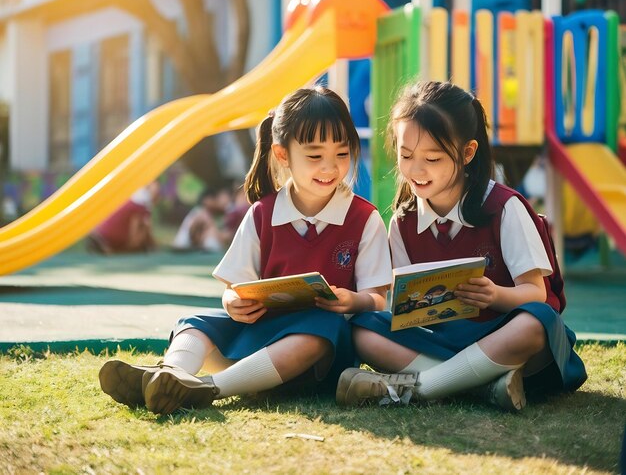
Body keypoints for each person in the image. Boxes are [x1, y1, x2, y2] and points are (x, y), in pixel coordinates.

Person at [99, 86, 392, 414]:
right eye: (314, 155)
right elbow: (233, 289)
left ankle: (208, 389)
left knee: (323, 327)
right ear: (283, 155)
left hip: (319, 355)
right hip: (258, 342)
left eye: (341, 153)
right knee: (194, 322)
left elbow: (378, 299)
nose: (330, 167)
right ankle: (171, 375)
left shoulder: (364, 218)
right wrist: (234, 303)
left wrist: (353, 300)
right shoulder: (262, 214)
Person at [336, 80, 587, 411]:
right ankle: (481, 387)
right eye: (406, 155)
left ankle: (426, 387)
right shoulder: (402, 222)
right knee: (363, 330)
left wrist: (496, 296)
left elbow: (536, 293)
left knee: (535, 322)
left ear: (467, 153)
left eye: (433, 159)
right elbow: (400, 302)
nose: (416, 170)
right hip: (442, 341)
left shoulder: (504, 207)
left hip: (504, 338)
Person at [86, 181, 160, 254]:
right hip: (110, 240)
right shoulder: (140, 206)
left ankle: (105, 245)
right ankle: (107, 247)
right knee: (144, 228)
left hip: (101, 234)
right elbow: (134, 240)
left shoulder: (128, 198)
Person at [171, 186, 232, 252]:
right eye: (215, 199)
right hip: (183, 248)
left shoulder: (209, 215)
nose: (218, 202)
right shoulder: (200, 212)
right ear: (207, 200)